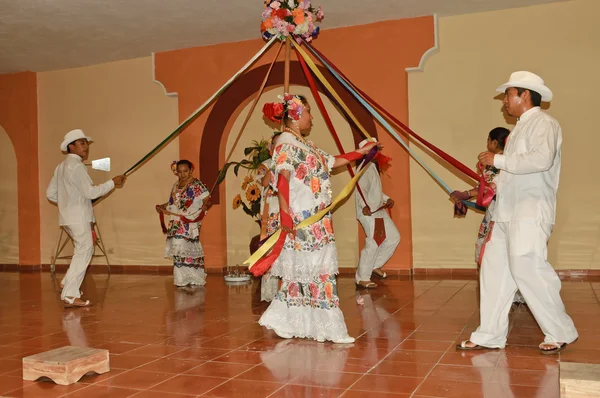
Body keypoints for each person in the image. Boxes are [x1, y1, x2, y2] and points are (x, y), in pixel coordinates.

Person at [457, 71, 578, 354]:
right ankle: (490, 334)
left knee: (529, 268)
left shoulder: (545, 124)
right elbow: (513, 172)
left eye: (507, 96)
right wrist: (492, 182)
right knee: (494, 270)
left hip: (530, 211)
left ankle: (560, 331)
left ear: (524, 94)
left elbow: (540, 160)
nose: (504, 103)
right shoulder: (518, 131)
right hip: (505, 213)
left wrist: (497, 159)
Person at [257, 93, 378, 344]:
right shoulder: (285, 144)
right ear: (297, 114)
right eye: (309, 112)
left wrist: (361, 152)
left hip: (317, 222)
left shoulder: (305, 145)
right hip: (303, 222)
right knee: (313, 273)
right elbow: (283, 180)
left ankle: (294, 322)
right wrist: (286, 216)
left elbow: (334, 162)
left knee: (310, 273)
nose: (312, 118)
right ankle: (324, 327)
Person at [46, 129, 126, 308]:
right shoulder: (77, 166)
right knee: (84, 253)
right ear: (71, 147)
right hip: (79, 217)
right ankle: (70, 295)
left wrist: (68, 202)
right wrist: (112, 182)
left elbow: (50, 194)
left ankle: (67, 282)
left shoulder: (61, 167)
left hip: (67, 218)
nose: (85, 147)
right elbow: (90, 193)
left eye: (86, 143)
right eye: (81, 143)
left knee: (81, 252)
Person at [451, 127, 525, 305]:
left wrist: (466, 194)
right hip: (509, 214)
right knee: (512, 254)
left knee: (488, 253)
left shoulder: (495, 164)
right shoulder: (513, 161)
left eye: (488, 140)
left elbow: (488, 189)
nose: (486, 143)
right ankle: (514, 293)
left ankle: (498, 291)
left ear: (494, 143)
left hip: (497, 218)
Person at [157, 160, 211, 287]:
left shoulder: (197, 185)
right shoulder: (176, 185)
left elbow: (208, 200)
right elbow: (171, 203)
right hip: (175, 222)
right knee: (178, 247)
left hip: (189, 221)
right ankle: (181, 279)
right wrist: (161, 206)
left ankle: (194, 277)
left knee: (187, 247)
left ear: (191, 170)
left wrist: (205, 206)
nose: (182, 174)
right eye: (179, 172)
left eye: (185, 171)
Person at [354, 138, 400, 289]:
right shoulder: (363, 167)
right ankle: (362, 277)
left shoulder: (372, 166)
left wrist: (387, 199)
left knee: (393, 237)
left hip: (378, 209)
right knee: (373, 242)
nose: (377, 153)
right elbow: (360, 190)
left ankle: (374, 266)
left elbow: (375, 191)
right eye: (374, 149)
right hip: (369, 211)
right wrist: (364, 206)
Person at [257, 157, 280, 302]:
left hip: (287, 209)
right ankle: (271, 291)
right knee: (271, 249)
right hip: (271, 211)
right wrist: (275, 164)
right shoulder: (265, 164)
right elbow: (265, 182)